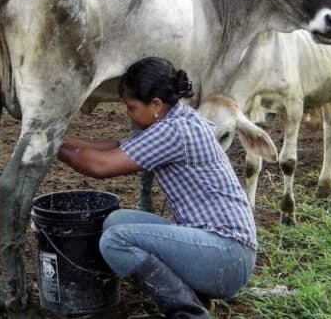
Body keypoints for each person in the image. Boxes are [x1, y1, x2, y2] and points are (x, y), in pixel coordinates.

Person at [57, 57, 257, 319]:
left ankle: (190, 313)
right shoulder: (177, 119)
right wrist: (58, 139)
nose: (128, 113)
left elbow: (101, 166)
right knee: (114, 221)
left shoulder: (173, 131)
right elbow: (116, 147)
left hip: (228, 257)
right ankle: (195, 296)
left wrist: (50, 147)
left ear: (156, 105)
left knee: (115, 241)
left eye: (131, 107)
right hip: (220, 247)